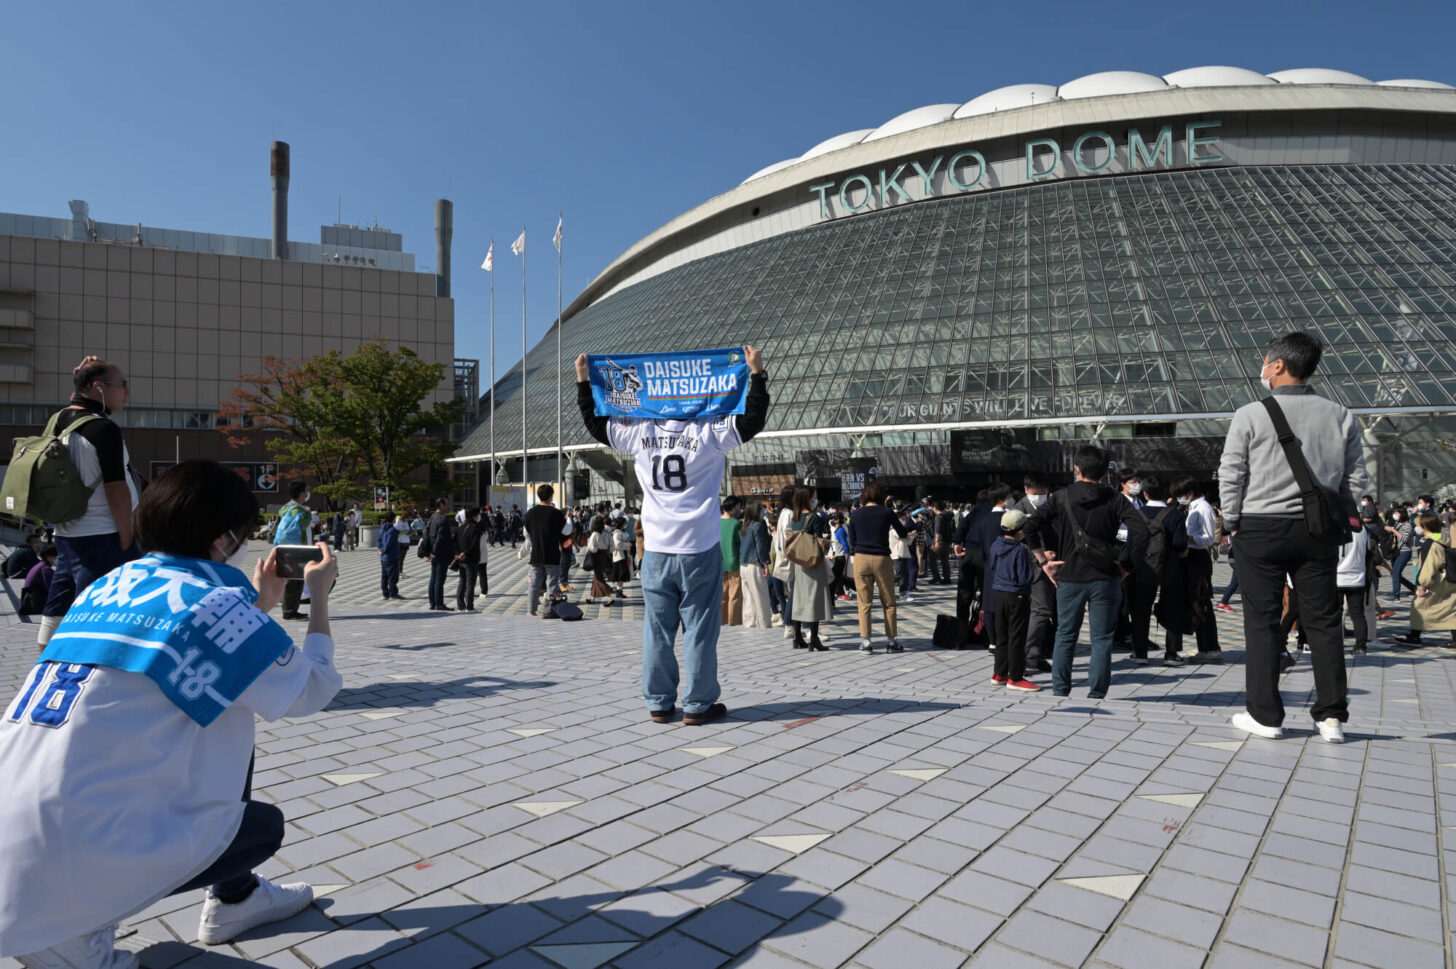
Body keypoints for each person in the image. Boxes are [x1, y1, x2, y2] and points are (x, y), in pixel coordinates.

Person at [0, 460, 341, 967]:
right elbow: (312, 690)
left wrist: (261, 603)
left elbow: (197, 650)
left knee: (221, 710)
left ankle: (236, 897)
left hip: (17, 812)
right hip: (72, 853)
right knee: (261, 826)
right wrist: (317, 597)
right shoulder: (218, 601)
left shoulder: (106, 587)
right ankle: (78, 932)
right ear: (225, 539)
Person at [575, 347, 769, 725]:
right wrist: (756, 374)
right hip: (699, 545)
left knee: (657, 630)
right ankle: (697, 705)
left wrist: (584, 381)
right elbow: (751, 421)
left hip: (657, 549)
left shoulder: (640, 431)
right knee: (699, 628)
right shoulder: (707, 430)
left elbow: (597, 423)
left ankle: (659, 702)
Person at [1219, 331, 1368, 743]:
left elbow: (1232, 474)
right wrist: (1340, 514)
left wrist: (1231, 521)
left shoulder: (1250, 414)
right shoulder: (1341, 415)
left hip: (1260, 527)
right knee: (1323, 622)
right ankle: (1331, 718)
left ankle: (1266, 716)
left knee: (1263, 623)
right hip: (1317, 531)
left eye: (1266, 361)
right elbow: (1357, 479)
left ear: (1279, 366)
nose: (1263, 369)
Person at [37, 357, 141, 649]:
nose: (127, 392)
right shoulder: (103, 429)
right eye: (123, 385)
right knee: (103, 628)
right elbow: (116, 489)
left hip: (67, 537)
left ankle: (44, 677)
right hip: (104, 538)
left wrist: (80, 378)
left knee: (52, 628)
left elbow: (77, 400)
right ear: (99, 387)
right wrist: (126, 537)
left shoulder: (58, 422)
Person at [1031, 445, 1149, 700]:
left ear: (1076, 468)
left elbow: (1030, 525)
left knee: (1065, 635)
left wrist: (1043, 561)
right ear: (1106, 471)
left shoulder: (1061, 497)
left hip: (1069, 576)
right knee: (1102, 639)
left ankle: (1060, 691)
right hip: (1106, 577)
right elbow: (1141, 531)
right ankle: (1096, 694)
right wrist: (1126, 566)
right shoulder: (1115, 498)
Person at [848, 480, 905, 654]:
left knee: (864, 602)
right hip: (881, 558)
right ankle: (892, 641)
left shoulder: (856, 514)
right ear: (881, 496)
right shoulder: (887, 512)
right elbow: (901, 532)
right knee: (889, 601)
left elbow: (852, 540)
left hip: (861, 557)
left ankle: (866, 642)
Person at [1171, 476, 1222, 663]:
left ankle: (1211, 648)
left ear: (1189, 493)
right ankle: (1204, 646)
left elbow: (1208, 539)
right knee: (1194, 602)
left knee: (1201, 602)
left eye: (1180, 495)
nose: (1179, 499)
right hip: (1189, 558)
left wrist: (1187, 537)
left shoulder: (1204, 508)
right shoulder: (1191, 508)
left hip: (1198, 558)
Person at [987, 510, 1038, 691]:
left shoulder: (995, 545)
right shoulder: (1020, 550)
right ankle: (1015, 677)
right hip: (1017, 595)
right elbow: (1025, 578)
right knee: (1016, 636)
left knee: (1002, 635)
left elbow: (992, 567)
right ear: (1019, 531)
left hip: (999, 593)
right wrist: (1033, 568)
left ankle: (999, 673)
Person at [1010, 473, 1056, 672]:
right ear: (1027, 490)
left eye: (1043, 492)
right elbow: (1012, 542)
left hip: (1054, 564)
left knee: (1046, 611)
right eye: (1036, 493)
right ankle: (1030, 655)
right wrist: (1040, 555)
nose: (1040, 496)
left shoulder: (1053, 506)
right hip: (1032, 567)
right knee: (1041, 609)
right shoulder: (1018, 511)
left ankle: (1036, 652)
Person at [1394, 513, 1456, 647]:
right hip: (1446, 581)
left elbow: (1428, 566)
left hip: (1435, 582)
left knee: (1419, 606)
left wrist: (1422, 584)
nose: (1416, 528)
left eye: (1418, 525)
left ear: (1425, 527)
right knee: (1450, 609)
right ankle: (1415, 635)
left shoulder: (1431, 543)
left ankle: (1415, 636)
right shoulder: (1442, 539)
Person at [786, 485, 833, 651]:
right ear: (808, 498)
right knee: (815, 599)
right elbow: (819, 541)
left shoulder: (795, 517)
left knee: (799, 599)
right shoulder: (815, 518)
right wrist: (826, 542)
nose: (816, 500)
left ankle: (797, 637)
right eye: (814, 497)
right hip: (813, 563)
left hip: (799, 563)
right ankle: (814, 638)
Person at [523, 484, 570, 617]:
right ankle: (548, 612)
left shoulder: (529, 514)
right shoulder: (556, 513)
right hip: (552, 554)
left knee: (534, 584)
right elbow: (566, 531)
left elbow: (526, 534)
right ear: (550, 496)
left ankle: (531, 610)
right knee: (552, 584)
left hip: (536, 554)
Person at [271, 481, 314, 621]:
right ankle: (290, 611)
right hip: (298, 548)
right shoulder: (299, 510)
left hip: (284, 547)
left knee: (292, 580)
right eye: (304, 492)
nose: (306, 494)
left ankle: (290, 609)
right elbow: (304, 525)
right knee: (295, 581)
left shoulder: (285, 508)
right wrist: (308, 513)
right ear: (300, 494)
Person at [1336, 518, 1372, 655]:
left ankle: (1336, 644)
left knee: (1336, 613)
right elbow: (1368, 551)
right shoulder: (1362, 529)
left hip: (1337, 577)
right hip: (1358, 577)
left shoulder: (1337, 527)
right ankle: (1361, 645)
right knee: (1357, 614)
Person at [740, 500, 773, 628]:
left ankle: (749, 622)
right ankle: (764, 622)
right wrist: (766, 563)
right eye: (761, 509)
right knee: (761, 595)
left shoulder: (744, 526)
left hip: (743, 564)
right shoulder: (757, 526)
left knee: (747, 596)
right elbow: (761, 547)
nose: (763, 511)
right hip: (754, 564)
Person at [425, 498, 455, 612]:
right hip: (440, 553)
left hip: (433, 552)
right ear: (441, 505)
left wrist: (430, 552)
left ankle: (433, 603)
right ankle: (439, 604)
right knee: (439, 579)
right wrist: (434, 553)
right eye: (446, 505)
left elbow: (427, 535)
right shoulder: (442, 519)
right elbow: (440, 538)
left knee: (433, 578)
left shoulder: (432, 517)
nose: (448, 507)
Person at [720, 497, 743, 625]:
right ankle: (733, 620)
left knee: (722, 593)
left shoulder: (716, 522)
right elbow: (740, 543)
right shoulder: (736, 524)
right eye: (738, 507)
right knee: (734, 594)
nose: (739, 510)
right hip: (734, 560)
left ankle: (722, 619)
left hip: (720, 561)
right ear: (733, 507)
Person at [454, 507, 482, 612]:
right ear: (474, 516)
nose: (479, 517)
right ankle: (470, 607)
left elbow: (454, 543)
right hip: (471, 559)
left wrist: (458, 554)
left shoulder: (460, 528)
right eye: (478, 515)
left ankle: (461, 605)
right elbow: (474, 544)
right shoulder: (475, 528)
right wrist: (465, 553)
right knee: (470, 583)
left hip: (461, 560)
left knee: (462, 581)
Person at [18, 545, 57, 616]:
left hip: (29, 599)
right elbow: (52, 589)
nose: (58, 558)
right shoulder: (46, 569)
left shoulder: (40, 564)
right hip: (34, 603)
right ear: (48, 556)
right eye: (56, 556)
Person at [585, 516, 615, 606]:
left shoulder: (594, 534)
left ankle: (610, 597)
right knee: (596, 577)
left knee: (599, 578)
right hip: (604, 556)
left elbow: (592, 548)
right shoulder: (607, 533)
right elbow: (612, 547)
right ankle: (592, 598)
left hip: (596, 556)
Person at [377, 511, 402, 599]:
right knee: (393, 576)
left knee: (384, 576)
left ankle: (385, 593)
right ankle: (393, 594)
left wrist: (380, 549)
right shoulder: (392, 530)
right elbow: (389, 543)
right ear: (393, 519)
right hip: (391, 556)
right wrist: (383, 550)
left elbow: (379, 540)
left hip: (383, 558)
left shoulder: (382, 529)